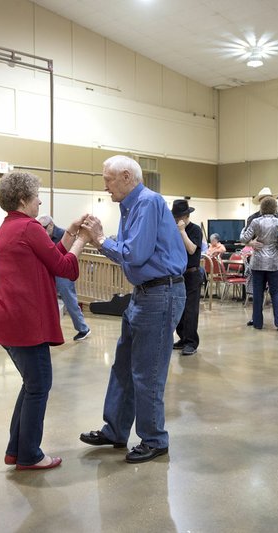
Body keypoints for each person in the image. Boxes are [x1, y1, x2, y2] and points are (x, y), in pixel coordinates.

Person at [78, 155, 186, 464]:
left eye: (108, 179)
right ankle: (115, 429)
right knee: (123, 365)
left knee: (147, 370)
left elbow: (134, 255)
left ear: (127, 176)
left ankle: (154, 439)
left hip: (160, 294)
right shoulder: (131, 207)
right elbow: (128, 254)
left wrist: (100, 239)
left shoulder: (147, 203)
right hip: (144, 293)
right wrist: (104, 241)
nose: (105, 185)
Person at [0, 172, 90, 471]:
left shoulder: (11, 226)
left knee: (32, 384)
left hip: (7, 319)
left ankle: (17, 449)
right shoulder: (29, 227)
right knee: (39, 385)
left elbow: (50, 256)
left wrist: (68, 234)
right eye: (36, 195)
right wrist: (82, 239)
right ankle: (29, 454)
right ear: (22, 199)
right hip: (23, 322)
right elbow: (65, 267)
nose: (40, 200)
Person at [36, 214, 91, 341]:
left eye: (44, 227)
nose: (42, 230)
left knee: (70, 300)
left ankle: (83, 329)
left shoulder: (63, 234)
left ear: (51, 225)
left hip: (63, 272)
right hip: (49, 270)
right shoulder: (42, 234)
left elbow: (72, 253)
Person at [240, 196, 278, 330]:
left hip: (258, 262)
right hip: (273, 262)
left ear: (261, 207)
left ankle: (258, 323)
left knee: (258, 292)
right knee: (275, 292)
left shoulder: (255, 221)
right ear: (275, 208)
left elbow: (244, 238)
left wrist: (244, 231)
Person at [170, 199, 203, 356]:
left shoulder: (195, 230)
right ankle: (183, 338)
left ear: (184, 216)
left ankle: (191, 342)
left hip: (192, 274)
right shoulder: (173, 230)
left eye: (177, 217)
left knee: (190, 310)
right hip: (178, 274)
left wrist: (182, 232)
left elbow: (191, 250)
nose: (175, 220)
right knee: (179, 309)